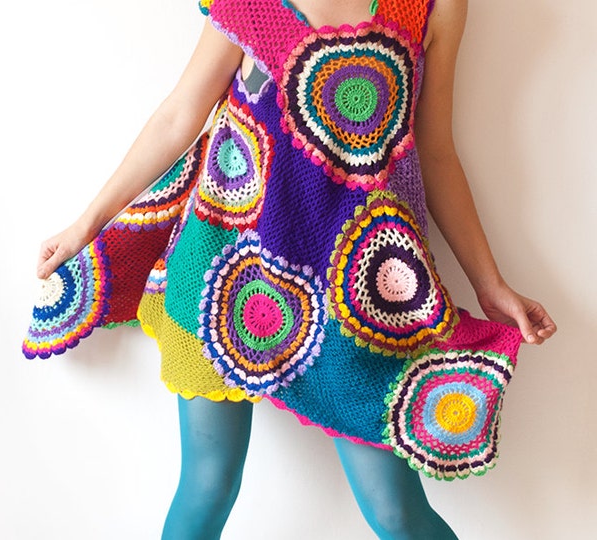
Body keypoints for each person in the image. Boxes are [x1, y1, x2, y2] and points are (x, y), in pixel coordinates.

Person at [33, 0, 556, 538]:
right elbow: (179, 114)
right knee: (208, 485)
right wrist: (85, 225)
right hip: (218, 274)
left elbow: (436, 150)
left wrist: (489, 284)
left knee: (396, 513)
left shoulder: (432, 6)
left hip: (356, 295)